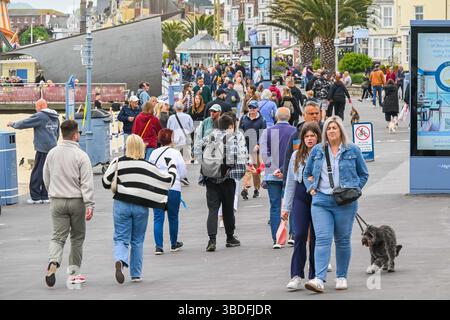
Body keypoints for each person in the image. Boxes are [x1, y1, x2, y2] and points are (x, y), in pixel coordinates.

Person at [303, 116, 369, 293]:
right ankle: (319, 279)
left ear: (340, 130)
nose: (331, 131)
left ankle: (341, 276)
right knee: (323, 239)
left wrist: (355, 191)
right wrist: (310, 188)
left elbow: (364, 174)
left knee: (342, 240)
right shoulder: (317, 150)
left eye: (334, 128)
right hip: (321, 202)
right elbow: (306, 172)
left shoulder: (352, 150)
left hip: (345, 202)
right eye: (328, 129)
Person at [102, 134, 177, 284]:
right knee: (137, 240)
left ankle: (120, 260)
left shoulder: (118, 162)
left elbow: (105, 182)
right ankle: (136, 274)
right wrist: (171, 166)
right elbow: (167, 181)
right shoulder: (147, 165)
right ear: (142, 147)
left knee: (121, 237)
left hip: (121, 204)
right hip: (141, 206)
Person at [42, 120, 94, 287]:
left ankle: (53, 262)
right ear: (75, 135)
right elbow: (86, 183)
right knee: (77, 237)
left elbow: (46, 176)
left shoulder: (52, 153)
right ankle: (73, 273)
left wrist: (52, 194)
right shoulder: (81, 156)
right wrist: (89, 204)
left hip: (57, 200)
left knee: (57, 237)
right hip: (76, 201)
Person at [194, 114, 248, 252]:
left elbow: (197, 148)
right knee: (228, 209)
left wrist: (205, 164)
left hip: (210, 178)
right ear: (230, 126)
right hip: (227, 179)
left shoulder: (210, 136)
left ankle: (211, 240)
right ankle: (230, 238)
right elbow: (238, 156)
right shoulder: (232, 138)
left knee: (212, 210)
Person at [282, 122, 321, 290]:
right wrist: (286, 207)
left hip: (318, 196)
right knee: (299, 234)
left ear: (318, 137)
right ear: (302, 139)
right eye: (307, 136)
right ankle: (296, 274)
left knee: (316, 238)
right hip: (300, 195)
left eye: (313, 136)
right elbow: (290, 183)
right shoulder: (296, 155)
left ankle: (314, 275)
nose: (310, 139)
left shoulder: (322, 154)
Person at [7, 98, 59, 204]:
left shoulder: (40, 115)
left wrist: (12, 124)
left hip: (42, 148)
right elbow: (57, 133)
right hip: (53, 147)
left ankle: (35, 197)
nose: (35, 109)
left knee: (37, 171)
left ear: (40, 107)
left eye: (36, 107)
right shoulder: (55, 116)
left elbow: (25, 123)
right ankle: (45, 196)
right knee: (48, 171)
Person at [260, 108, 296, 248]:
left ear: (276, 116)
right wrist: (283, 169)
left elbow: (264, 153)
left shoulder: (268, 132)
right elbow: (297, 152)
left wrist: (274, 168)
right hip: (291, 173)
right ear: (289, 116)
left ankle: (277, 238)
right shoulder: (294, 131)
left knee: (275, 206)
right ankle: (293, 234)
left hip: (272, 174)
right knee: (292, 205)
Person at [149, 129, 187, 255]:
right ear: (171, 139)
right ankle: (173, 243)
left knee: (158, 218)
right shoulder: (176, 153)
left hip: (157, 188)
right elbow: (182, 173)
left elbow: (150, 170)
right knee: (173, 217)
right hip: (173, 187)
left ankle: (158, 246)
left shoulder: (154, 153)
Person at [239, 100, 267, 200]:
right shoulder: (243, 118)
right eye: (250, 108)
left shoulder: (262, 120)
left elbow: (263, 134)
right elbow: (240, 131)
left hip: (256, 148)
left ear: (257, 109)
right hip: (245, 147)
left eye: (254, 108)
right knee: (247, 168)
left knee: (255, 170)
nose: (252, 110)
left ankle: (256, 189)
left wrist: (258, 144)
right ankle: (245, 188)